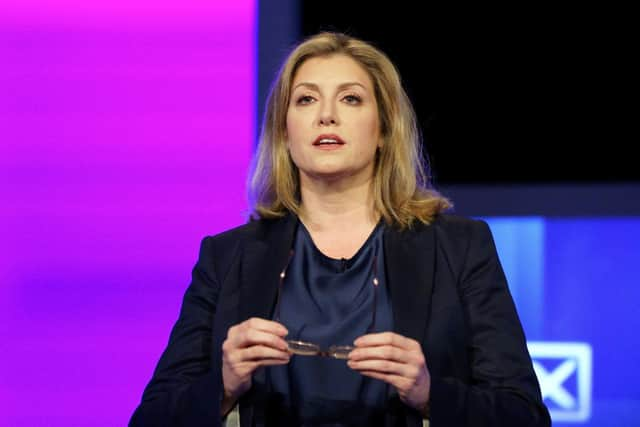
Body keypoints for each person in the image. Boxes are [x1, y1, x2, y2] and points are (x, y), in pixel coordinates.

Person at [129, 32, 550, 427]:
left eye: (350, 99)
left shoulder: (458, 246)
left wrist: (430, 394)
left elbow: (523, 415)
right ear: (284, 131)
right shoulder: (228, 257)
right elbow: (152, 418)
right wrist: (222, 385)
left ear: (384, 129)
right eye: (306, 99)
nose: (326, 116)